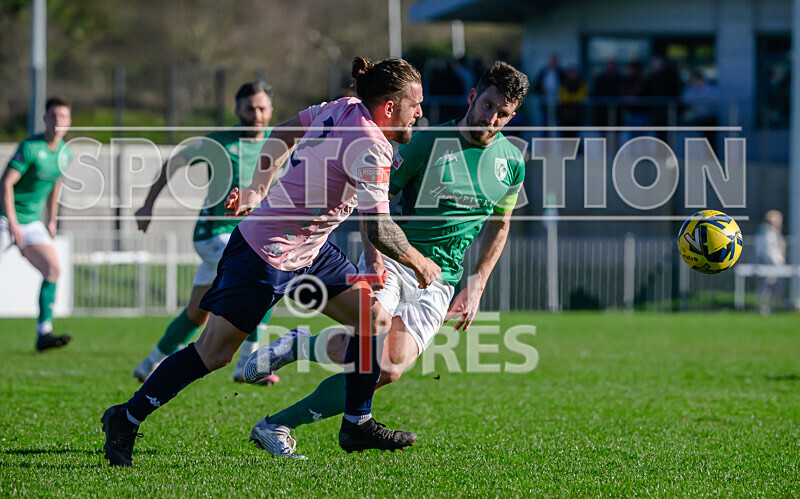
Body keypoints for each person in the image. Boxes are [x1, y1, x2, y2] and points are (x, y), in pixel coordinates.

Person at [101, 57, 441, 466]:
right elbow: (380, 228)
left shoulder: (345, 107)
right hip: (264, 253)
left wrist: (257, 188)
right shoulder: (371, 145)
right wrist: (420, 262)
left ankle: (356, 422)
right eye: (415, 104)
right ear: (389, 106)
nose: (419, 113)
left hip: (310, 251)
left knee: (373, 319)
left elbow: (283, 132)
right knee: (214, 353)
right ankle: (126, 417)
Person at [244, 61, 530, 459]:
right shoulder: (425, 143)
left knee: (390, 368)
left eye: (503, 113)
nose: (492, 118)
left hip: (442, 280)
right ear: (472, 97)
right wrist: (374, 258)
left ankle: (294, 361)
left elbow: (501, 223)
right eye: (488, 105)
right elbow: (375, 205)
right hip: (396, 262)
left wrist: (478, 281)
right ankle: (282, 420)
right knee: (371, 351)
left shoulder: (512, 162)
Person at [131, 81, 279, 385]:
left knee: (197, 313)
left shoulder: (277, 143)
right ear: (237, 110)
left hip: (245, 237)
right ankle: (248, 363)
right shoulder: (218, 143)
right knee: (264, 273)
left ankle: (149, 363)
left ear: (271, 110)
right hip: (213, 233)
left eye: (262, 108)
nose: (256, 115)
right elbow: (173, 164)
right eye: (250, 108)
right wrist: (148, 204)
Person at [0, 97, 73, 351]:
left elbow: (55, 184)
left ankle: (44, 333)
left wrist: (51, 219)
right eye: (54, 115)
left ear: (69, 122)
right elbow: (6, 182)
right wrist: (12, 221)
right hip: (5, 218)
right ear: (45, 119)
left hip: (31, 223)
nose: (58, 121)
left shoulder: (65, 153)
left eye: (63, 116)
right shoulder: (31, 147)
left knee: (53, 269)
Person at [755, 210, 786, 315]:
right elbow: (768, 252)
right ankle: (763, 307)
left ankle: (772, 307)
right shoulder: (767, 233)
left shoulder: (774, 233)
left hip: (775, 266)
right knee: (765, 288)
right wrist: (776, 264)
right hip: (770, 265)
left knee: (774, 288)